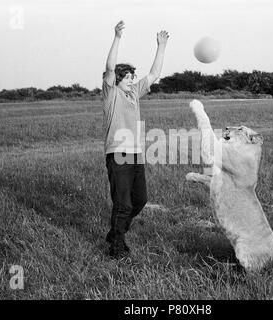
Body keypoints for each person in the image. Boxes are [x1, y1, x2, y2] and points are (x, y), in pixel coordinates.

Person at [102, 20, 169, 258]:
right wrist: (117, 37)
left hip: (135, 154)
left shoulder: (134, 94)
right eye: (127, 76)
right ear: (117, 80)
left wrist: (161, 46)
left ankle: (115, 232)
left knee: (139, 200)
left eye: (132, 76)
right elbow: (110, 68)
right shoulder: (112, 94)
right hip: (118, 153)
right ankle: (116, 247)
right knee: (123, 204)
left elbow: (154, 74)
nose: (131, 79)